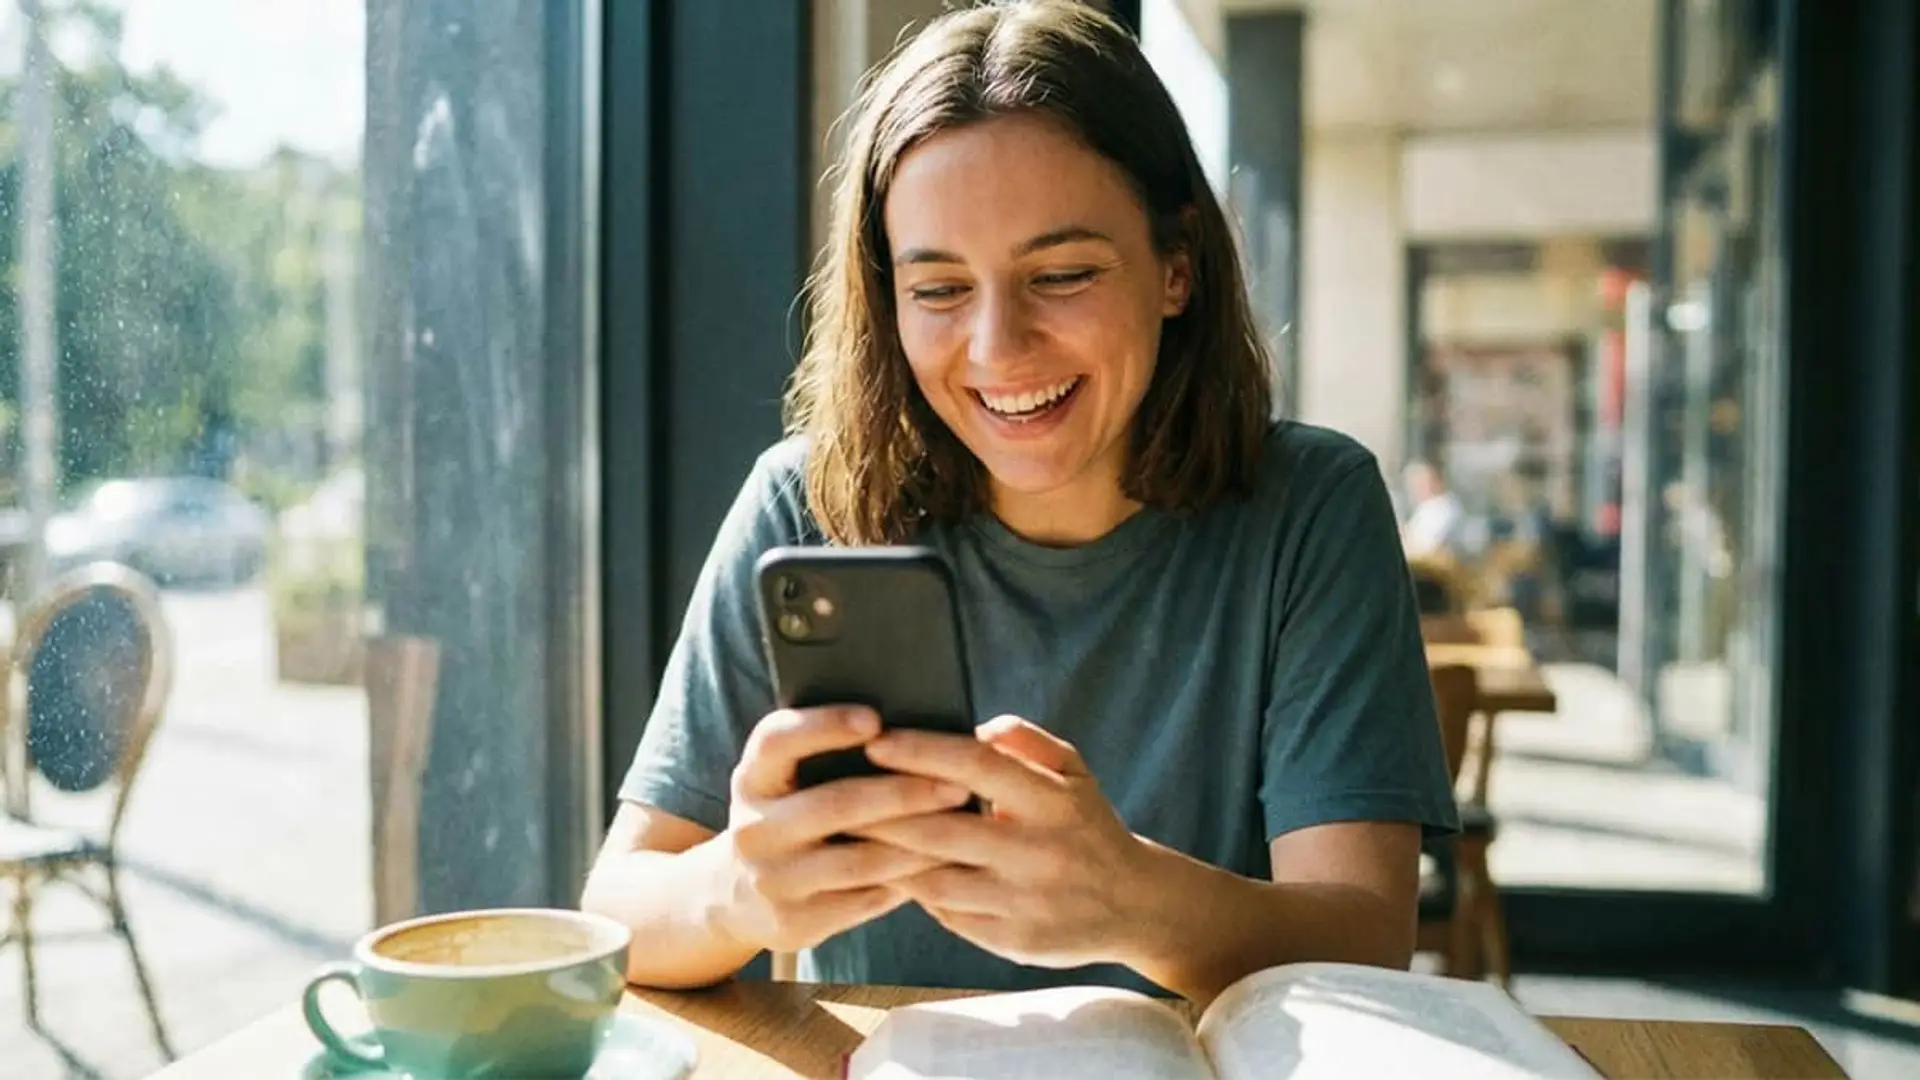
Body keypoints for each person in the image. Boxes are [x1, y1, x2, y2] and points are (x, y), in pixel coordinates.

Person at [582, 0, 1455, 1005]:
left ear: (1177, 267)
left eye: (1062, 275)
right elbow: (616, 918)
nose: (998, 349)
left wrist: (1133, 905)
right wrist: (735, 892)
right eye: (939, 290)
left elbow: (1366, 940)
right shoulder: (803, 502)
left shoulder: (1311, 508)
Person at [1400, 459, 1467, 559]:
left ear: (1436, 481)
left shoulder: (1445, 508)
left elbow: (1428, 548)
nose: (1415, 488)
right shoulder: (1425, 507)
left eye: (1421, 482)